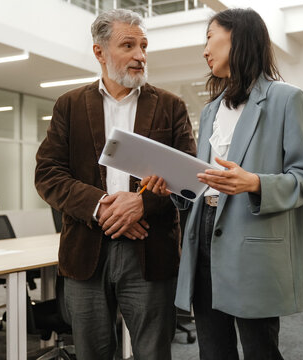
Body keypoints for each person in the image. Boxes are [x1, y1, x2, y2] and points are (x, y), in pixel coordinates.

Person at [142, 8, 303, 360]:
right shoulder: (210, 111)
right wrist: (174, 186)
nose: (204, 49)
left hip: (251, 239)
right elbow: (205, 182)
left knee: (259, 349)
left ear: (236, 36)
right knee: (213, 349)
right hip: (203, 235)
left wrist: (254, 182)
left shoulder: (286, 99)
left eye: (209, 36)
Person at [35, 9, 196, 360]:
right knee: (92, 352)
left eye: (143, 46)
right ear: (100, 52)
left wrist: (141, 204)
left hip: (150, 251)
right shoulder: (69, 106)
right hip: (86, 249)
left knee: (153, 352)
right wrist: (100, 205)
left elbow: (189, 179)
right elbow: (48, 174)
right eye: (128, 45)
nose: (140, 55)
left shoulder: (171, 107)